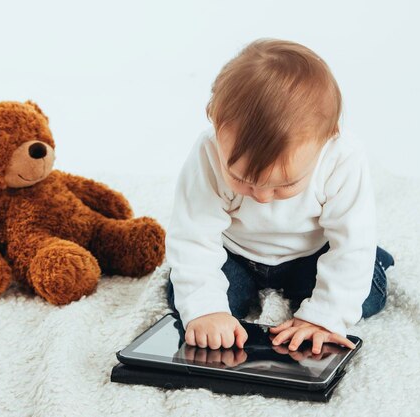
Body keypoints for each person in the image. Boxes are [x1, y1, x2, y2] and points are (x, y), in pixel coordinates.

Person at [165, 38, 394, 356]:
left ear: (328, 138)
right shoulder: (207, 152)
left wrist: (324, 319)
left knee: (365, 292)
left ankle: (377, 259)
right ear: (214, 122)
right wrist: (206, 310)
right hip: (236, 254)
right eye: (242, 180)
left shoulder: (343, 158)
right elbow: (192, 236)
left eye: (284, 185)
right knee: (188, 298)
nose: (261, 197)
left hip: (310, 254)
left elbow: (351, 241)